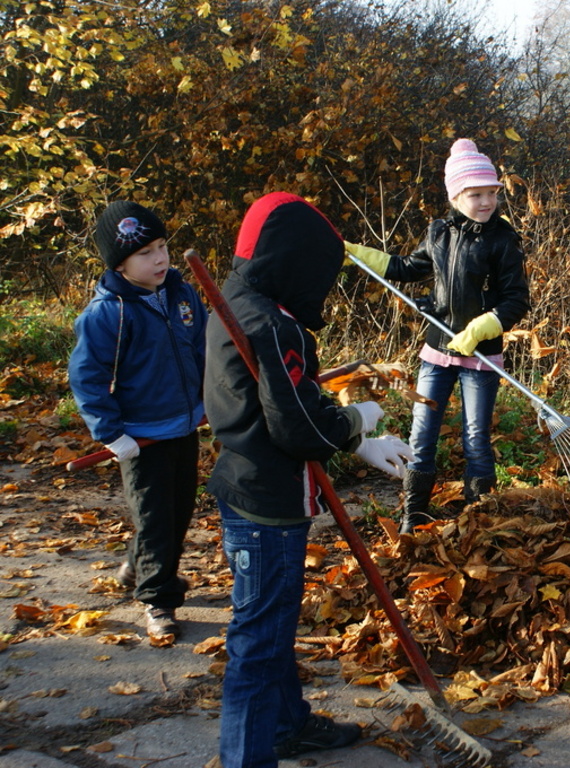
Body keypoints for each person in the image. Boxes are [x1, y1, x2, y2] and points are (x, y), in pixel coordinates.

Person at [203, 192, 414, 768]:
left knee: (270, 626)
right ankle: (250, 755)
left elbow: (277, 401)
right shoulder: (274, 327)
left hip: (242, 489)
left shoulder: (232, 306)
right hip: (270, 507)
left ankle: (288, 724)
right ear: (295, 262)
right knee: (258, 640)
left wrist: (356, 441)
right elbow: (296, 427)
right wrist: (355, 421)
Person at [345, 138, 531, 533]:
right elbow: (406, 267)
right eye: (475, 194)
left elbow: (517, 300)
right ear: (456, 196)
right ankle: (414, 513)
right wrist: (358, 252)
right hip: (437, 353)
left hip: (481, 359)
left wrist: (481, 328)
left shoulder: (503, 241)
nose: (486, 202)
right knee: (423, 433)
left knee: (476, 437)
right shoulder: (439, 233)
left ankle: (477, 519)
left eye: (492, 194)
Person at [68, 201, 206, 640]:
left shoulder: (183, 295)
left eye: (163, 246)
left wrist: (217, 400)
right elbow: (87, 377)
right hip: (141, 437)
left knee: (178, 512)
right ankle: (157, 599)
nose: (161, 258)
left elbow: (205, 348)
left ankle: (135, 565)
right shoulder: (109, 313)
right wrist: (111, 433)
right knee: (155, 519)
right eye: (146, 252)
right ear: (120, 264)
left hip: (185, 426)